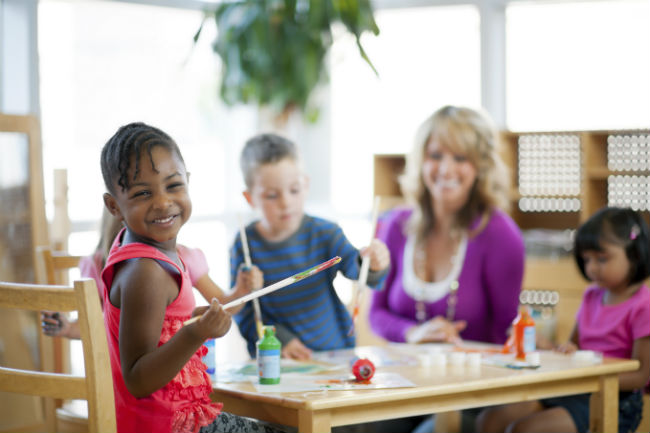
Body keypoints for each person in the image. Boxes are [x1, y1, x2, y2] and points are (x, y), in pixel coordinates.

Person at [99, 122, 288, 433]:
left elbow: (158, 331)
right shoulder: (146, 271)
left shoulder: (149, 254)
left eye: (173, 186)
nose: (162, 202)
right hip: (167, 425)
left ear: (187, 182)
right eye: (143, 193)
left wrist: (192, 322)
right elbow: (137, 379)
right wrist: (194, 334)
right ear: (113, 206)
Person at [368, 105, 525, 433]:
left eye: (461, 158)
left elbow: (503, 334)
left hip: (472, 393)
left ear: (480, 166)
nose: (446, 168)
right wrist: (413, 333)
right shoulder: (394, 225)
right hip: (401, 384)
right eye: (436, 155)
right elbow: (376, 313)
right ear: (420, 161)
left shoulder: (500, 235)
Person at [476, 207, 650, 433]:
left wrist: (589, 374)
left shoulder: (643, 305)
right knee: (490, 420)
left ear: (635, 254)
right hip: (576, 389)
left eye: (602, 258)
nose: (592, 268)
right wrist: (553, 348)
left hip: (615, 399)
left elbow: (641, 376)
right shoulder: (591, 296)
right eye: (587, 259)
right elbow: (572, 348)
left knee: (526, 429)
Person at [232, 133, 390, 360]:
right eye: (272, 195)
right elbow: (243, 311)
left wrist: (373, 264)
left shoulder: (325, 233)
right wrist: (280, 339)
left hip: (334, 353)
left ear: (306, 185)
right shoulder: (243, 244)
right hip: (276, 357)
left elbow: (357, 269)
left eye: (294, 190)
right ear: (250, 198)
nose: (286, 203)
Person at [41, 209, 253, 339]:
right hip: (121, 383)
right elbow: (93, 325)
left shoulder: (185, 257)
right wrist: (67, 327)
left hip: (178, 377)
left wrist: (242, 290)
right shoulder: (96, 265)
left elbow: (223, 304)